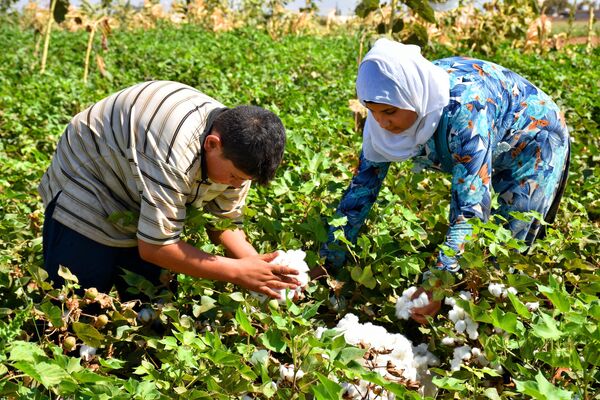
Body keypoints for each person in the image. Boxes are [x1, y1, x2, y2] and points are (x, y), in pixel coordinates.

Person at [320, 38, 570, 322]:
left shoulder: (464, 114)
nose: (382, 123)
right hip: (489, 129)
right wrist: (327, 263)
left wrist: (436, 286)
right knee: (472, 253)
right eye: (372, 111)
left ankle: (495, 326)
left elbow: (469, 210)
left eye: (389, 112)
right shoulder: (385, 119)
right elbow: (360, 193)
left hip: (534, 136)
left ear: (412, 95)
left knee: (507, 251)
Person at [39, 80, 300, 300]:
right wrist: (236, 271)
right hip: (90, 179)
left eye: (244, 180)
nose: (237, 185)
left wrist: (265, 273)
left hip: (140, 187)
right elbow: (155, 248)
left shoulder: (238, 153)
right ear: (212, 144)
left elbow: (225, 222)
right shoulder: (174, 151)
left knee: (151, 303)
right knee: (80, 300)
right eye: (234, 177)